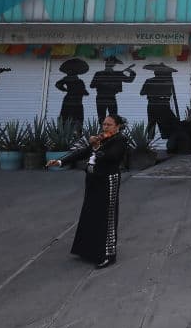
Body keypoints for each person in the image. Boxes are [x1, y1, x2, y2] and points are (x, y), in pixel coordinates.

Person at [46, 115, 129, 269]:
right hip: (93, 181)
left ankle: (108, 255)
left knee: (107, 217)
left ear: (117, 127)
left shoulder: (120, 140)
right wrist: (60, 161)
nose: (105, 127)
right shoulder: (101, 138)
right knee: (90, 213)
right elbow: (83, 152)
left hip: (108, 181)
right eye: (104, 124)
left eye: (109, 125)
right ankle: (87, 250)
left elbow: (112, 157)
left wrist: (97, 147)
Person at [90, 56, 136, 122]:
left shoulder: (117, 74)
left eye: (110, 62)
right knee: (102, 118)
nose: (108, 64)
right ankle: (102, 131)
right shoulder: (99, 74)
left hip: (109, 97)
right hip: (101, 97)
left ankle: (111, 131)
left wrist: (131, 72)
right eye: (108, 62)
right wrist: (102, 82)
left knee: (113, 117)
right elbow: (92, 85)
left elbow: (129, 80)